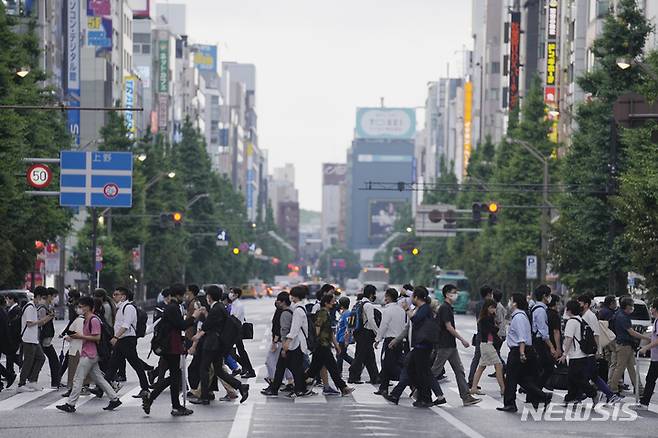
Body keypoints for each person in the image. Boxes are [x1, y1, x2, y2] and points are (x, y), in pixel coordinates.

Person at [142, 284, 202, 416]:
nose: (185, 298)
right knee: (175, 377)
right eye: (183, 295)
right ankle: (174, 406)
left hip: (171, 346)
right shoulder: (173, 308)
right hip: (171, 347)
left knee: (174, 377)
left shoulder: (172, 307)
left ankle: (153, 399)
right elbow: (181, 325)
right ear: (177, 295)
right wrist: (194, 316)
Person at [56, 296, 122, 413]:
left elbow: (97, 337)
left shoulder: (93, 320)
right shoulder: (87, 319)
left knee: (77, 378)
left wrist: (79, 336)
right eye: (79, 306)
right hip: (89, 353)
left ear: (89, 307)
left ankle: (70, 404)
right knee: (99, 379)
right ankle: (114, 399)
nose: (80, 308)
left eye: (82, 306)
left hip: (90, 354)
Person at [190, 285, 249, 405]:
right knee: (218, 370)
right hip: (218, 344)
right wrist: (207, 313)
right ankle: (241, 387)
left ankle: (204, 397)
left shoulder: (216, 309)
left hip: (211, 343)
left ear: (209, 297)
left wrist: (197, 336)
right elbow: (214, 323)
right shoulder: (220, 307)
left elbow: (207, 326)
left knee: (204, 369)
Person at [497, 293, 551, 413]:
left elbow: (522, 337)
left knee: (511, 378)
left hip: (519, 351)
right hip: (523, 350)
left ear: (515, 303)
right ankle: (543, 396)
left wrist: (521, 353)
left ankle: (510, 403)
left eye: (510, 300)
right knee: (522, 379)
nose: (509, 303)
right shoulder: (519, 316)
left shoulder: (519, 317)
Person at [432, 284, 481, 406]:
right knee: (434, 372)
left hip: (450, 346)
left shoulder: (448, 307)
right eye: (454, 292)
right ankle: (418, 391)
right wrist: (462, 339)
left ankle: (466, 397)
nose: (456, 295)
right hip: (445, 345)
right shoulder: (445, 308)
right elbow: (449, 327)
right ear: (447, 294)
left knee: (459, 371)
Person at [262, 285, 313, 398]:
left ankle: (300, 389)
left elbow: (294, 329)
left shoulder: (298, 310)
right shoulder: (297, 308)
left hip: (296, 343)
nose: (290, 297)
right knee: (283, 365)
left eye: (292, 295)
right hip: (295, 343)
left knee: (295, 367)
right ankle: (276, 388)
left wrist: (287, 342)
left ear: (295, 296)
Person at [104, 287, 150, 398]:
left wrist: (115, 337)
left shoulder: (128, 308)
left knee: (136, 365)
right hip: (122, 340)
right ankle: (101, 388)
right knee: (112, 365)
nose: (114, 296)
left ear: (123, 296)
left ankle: (145, 389)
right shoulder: (120, 308)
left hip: (127, 340)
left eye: (116, 294)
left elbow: (126, 325)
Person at [303, 294, 354, 396]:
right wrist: (317, 340)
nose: (335, 303)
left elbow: (330, 331)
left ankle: (299, 383)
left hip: (324, 344)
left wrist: (336, 345)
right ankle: (343, 387)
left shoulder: (327, 313)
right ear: (326, 303)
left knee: (313, 369)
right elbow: (317, 327)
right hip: (322, 345)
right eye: (333, 301)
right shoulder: (322, 312)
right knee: (332, 367)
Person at [577, 293, 621, 404]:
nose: (578, 305)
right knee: (593, 376)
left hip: (590, 352)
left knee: (585, 376)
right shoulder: (585, 315)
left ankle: (580, 395)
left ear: (586, 304)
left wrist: (598, 350)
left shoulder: (589, 316)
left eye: (580, 303)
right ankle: (607, 395)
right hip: (588, 351)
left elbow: (596, 334)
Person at [558, 300, 598, 404]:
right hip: (582, 354)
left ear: (569, 310)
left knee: (576, 379)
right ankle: (570, 397)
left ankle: (592, 393)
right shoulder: (580, 320)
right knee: (572, 378)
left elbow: (569, 339)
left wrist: (564, 354)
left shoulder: (571, 322)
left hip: (575, 355)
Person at [609, 297, 645, 395]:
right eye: (631, 306)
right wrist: (645, 338)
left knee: (631, 368)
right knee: (620, 368)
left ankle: (639, 388)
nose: (632, 308)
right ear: (627, 306)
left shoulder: (619, 314)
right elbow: (631, 332)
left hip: (625, 345)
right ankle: (613, 388)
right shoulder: (622, 317)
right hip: (624, 345)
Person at [374, 288, 406, 396]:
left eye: (385, 296)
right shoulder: (401, 310)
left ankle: (410, 381)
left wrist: (377, 339)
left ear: (388, 297)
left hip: (390, 341)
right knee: (390, 365)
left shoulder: (387, 310)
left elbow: (384, 326)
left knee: (388, 365)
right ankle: (383, 388)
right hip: (399, 340)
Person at [469, 299, 505, 396]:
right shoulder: (484, 319)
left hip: (487, 344)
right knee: (498, 365)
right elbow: (489, 330)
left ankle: (473, 387)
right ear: (487, 308)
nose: (494, 310)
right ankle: (503, 388)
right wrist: (496, 327)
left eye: (494, 308)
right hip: (487, 344)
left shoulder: (489, 317)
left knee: (482, 366)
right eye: (492, 308)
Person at [17, 286, 48, 392]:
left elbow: (36, 323)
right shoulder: (30, 307)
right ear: (38, 296)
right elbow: (29, 324)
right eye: (43, 297)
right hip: (28, 339)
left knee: (41, 358)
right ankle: (21, 384)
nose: (43, 300)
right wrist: (42, 320)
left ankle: (32, 381)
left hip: (33, 339)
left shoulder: (34, 306)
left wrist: (48, 318)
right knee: (28, 362)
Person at [348, 284, 380, 384]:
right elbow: (371, 320)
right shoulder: (368, 305)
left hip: (359, 332)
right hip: (365, 333)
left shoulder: (359, 303)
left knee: (369, 357)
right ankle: (353, 377)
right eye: (374, 294)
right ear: (371, 294)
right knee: (360, 357)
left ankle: (375, 377)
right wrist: (378, 332)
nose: (375, 296)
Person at [530, 285, 558, 390]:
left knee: (541, 368)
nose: (550, 297)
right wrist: (551, 347)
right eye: (549, 295)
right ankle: (536, 390)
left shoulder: (536, 308)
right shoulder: (541, 311)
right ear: (544, 296)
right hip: (539, 342)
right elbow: (543, 332)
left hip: (537, 341)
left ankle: (536, 391)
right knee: (548, 367)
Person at [265, 292, 293, 388]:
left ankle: (274, 381)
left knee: (270, 361)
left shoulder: (282, 312)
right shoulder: (285, 310)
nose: (276, 301)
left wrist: (275, 341)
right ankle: (289, 382)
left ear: (283, 302)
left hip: (280, 340)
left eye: (278, 300)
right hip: (284, 340)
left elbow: (279, 328)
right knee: (286, 363)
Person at [468, 285, 494, 388]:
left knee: (477, 357)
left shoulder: (478, 304)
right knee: (496, 359)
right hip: (488, 335)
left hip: (480, 333)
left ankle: (471, 380)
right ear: (489, 294)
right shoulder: (488, 305)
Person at [229, 288, 256, 378]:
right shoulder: (234, 304)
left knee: (239, 351)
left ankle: (249, 369)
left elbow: (235, 319)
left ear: (236, 295)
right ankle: (247, 368)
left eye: (232, 292)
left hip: (237, 330)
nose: (230, 294)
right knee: (240, 351)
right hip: (234, 330)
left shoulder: (239, 305)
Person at [638, 299, 658, 410]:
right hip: (655, 357)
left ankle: (644, 403)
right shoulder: (655, 321)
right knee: (650, 379)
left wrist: (646, 347)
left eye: (651, 307)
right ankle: (644, 402)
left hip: (657, 358)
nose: (650, 309)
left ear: (655, 309)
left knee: (650, 379)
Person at [61, 305, 85, 397]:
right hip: (79, 348)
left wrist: (68, 336)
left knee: (73, 370)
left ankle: (72, 389)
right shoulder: (83, 319)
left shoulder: (79, 320)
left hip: (76, 348)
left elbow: (77, 334)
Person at [41, 288, 61, 388]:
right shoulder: (43, 306)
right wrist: (50, 316)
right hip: (44, 338)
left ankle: (56, 382)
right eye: (53, 296)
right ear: (49, 295)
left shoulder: (48, 306)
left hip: (47, 337)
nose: (54, 299)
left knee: (53, 361)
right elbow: (41, 322)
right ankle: (55, 383)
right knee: (53, 360)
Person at [4, 293, 22, 383]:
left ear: (12, 299)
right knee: (10, 355)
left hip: (14, 337)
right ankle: (10, 372)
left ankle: (25, 368)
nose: (7, 302)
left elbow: (16, 325)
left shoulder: (17, 309)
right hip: (11, 337)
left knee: (12, 355)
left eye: (7, 299)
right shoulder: (10, 309)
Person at [335, 297, 354, 374]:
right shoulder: (344, 313)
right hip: (340, 338)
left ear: (342, 306)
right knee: (342, 355)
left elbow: (349, 327)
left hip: (343, 338)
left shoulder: (347, 314)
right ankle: (356, 364)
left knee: (340, 355)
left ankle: (338, 372)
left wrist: (346, 339)